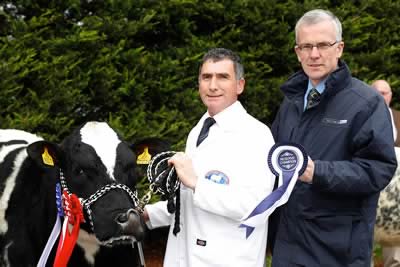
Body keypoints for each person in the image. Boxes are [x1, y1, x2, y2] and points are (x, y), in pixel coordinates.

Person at [270, 9, 397, 267]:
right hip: (288, 245)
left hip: (337, 251)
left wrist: (318, 172)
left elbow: (379, 169)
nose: (314, 54)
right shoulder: (291, 102)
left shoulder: (367, 103)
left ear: (339, 48)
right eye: (306, 46)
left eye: (323, 45)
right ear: (297, 52)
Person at [143, 48, 276, 267]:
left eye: (223, 77)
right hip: (184, 256)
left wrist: (196, 182)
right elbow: (188, 199)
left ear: (240, 85)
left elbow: (255, 207)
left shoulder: (256, 135)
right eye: (206, 77)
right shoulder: (199, 129)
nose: (213, 86)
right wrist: (148, 214)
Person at [371, 79, 400, 267]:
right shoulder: (361, 117)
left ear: (390, 96)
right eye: (377, 93)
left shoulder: (399, 117)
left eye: (385, 93)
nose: (381, 97)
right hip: (370, 185)